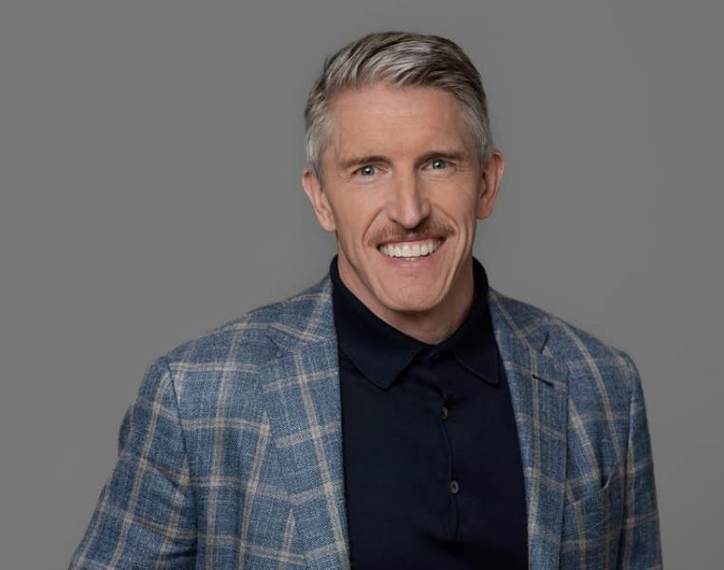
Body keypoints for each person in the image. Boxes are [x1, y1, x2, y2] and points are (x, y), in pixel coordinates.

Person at [69, 31, 662, 569]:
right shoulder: (198, 397)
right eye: (368, 170)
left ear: (486, 183)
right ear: (321, 198)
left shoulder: (602, 387)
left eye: (438, 163)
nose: (409, 210)